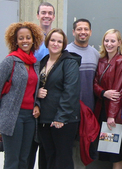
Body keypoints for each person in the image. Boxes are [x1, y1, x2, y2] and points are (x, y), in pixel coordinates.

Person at [0, 22, 43, 169]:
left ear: (34, 39)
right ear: (16, 41)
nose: (25, 41)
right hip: (12, 117)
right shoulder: (10, 61)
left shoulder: (35, 63)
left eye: (28, 37)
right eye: (21, 38)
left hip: (30, 118)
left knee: (25, 160)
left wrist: (37, 104)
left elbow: (35, 90)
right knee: (12, 161)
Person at [37, 28, 81, 169]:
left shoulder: (69, 62)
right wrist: (37, 93)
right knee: (48, 157)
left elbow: (70, 91)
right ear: (47, 42)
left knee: (62, 159)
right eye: (53, 40)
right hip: (44, 117)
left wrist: (61, 117)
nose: (55, 43)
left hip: (63, 120)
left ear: (64, 44)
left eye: (59, 41)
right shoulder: (43, 61)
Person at [66, 18, 100, 168]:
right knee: (68, 150)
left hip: (88, 112)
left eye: (86, 29)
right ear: (73, 32)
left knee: (83, 149)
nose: (83, 32)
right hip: (69, 110)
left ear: (90, 32)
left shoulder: (95, 54)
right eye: (79, 29)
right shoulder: (65, 52)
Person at [93, 29, 122, 169]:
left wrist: (111, 116)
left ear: (119, 43)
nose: (109, 43)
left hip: (114, 114)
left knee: (116, 153)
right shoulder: (101, 60)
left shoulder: (121, 61)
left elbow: (118, 91)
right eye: (106, 40)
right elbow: (94, 84)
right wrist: (103, 92)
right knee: (108, 149)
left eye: (113, 41)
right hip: (102, 110)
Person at [29, 1, 55, 169]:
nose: (46, 15)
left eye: (50, 13)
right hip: (31, 100)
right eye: (43, 12)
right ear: (38, 15)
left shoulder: (55, 38)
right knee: (29, 148)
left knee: (47, 151)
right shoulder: (30, 39)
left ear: (53, 16)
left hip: (48, 102)